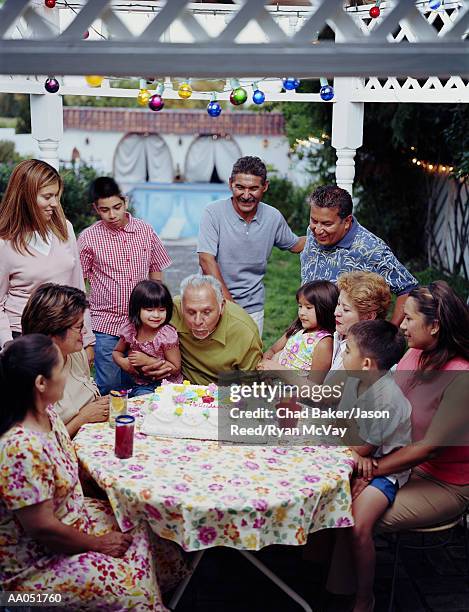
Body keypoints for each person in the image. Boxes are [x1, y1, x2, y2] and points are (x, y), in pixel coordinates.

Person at [0, 334, 167, 610]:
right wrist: (99, 544)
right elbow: (44, 529)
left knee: (140, 523)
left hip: (74, 520)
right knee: (130, 584)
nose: (67, 374)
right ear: (40, 383)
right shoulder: (20, 448)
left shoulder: (46, 412)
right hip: (31, 572)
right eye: (60, 368)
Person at [328, 282, 469, 603]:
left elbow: (428, 447)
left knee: (352, 515)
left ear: (434, 326)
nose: (401, 325)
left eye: (409, 319)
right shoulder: (414, 354)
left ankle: (364, 599)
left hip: (443, 481)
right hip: (401, 462)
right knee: (335, 493)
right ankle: (334, 587)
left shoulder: (461, 376)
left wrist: (371, 472)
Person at [340, 320, 410, 612]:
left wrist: (359, 460)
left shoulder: (386, 400)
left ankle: (364, 597)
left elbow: (361, 449)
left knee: (359, 525)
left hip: (386, 471)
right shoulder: (356, 380)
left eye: (347, 349)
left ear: (366, 362)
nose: (342, 354)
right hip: (360, 456)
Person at [78, 176, 172, 395]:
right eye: (104, 210)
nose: (112, 215)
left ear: (125, 201)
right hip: (105, 324)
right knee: (110, 385)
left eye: (117, 207)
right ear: (95, 208)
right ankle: (110, 427)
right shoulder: (88, 238)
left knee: (141, 382)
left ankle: (137, 425)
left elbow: (156, 268)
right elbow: (79, 283)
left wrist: (156, 307)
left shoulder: (145, 231)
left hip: (141, 325)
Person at [197, 156, 305, 335]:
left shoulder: (272, 217)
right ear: (231, 183)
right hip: (210, 304)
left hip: (252, 308)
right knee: (210, 362)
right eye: (240, 187)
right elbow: (206, 260)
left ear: (265, 186)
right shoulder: (213, 212)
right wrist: (229, 304)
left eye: (253, 188)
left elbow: (295, 244)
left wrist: (327, 231)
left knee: (249, 362)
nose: (246, 195)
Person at [0, 159, 94, 353]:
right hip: (25, 339)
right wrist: (8, 344)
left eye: (57, 196)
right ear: (25, 197)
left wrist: (87, 338)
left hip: (67, 336)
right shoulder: (4, 242)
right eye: (47, 196)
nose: (55, 203)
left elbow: (77, 286)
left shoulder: (64, 228)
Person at [300, 185, 418, 325]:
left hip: (349, 340)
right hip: (309, 330)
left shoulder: (371, 248)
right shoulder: (313, 232)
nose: (318, 230)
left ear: (347, 221)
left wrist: (390, 332)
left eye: (327, 224)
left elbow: (408, 288)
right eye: (314, 221)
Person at [21, 283, 109, 437]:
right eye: (79, 327)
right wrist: (83, 418)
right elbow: (41, 446)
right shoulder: (31, 378)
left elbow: (87, 387)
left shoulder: (76, 352)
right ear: (52, 332)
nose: (85, 332)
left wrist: (101, 404)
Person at [141, 274, 263, 385]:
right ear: (181, 306)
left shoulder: (244, 331)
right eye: (191, 312)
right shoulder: (170, 310)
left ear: (222, 306)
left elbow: (251, 385)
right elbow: (137, 335)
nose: (198, 321)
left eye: (206, 312)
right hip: (182, 389)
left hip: (225, 395)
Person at [113, 280, 183, 397]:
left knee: (147, 403)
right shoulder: (131, 329)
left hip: (166, 385)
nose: (156, 315)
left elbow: (175, 367)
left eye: (161, 310)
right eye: (149, 310)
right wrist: (123, 362)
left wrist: (148, 361)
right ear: (137, 309)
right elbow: (117, 352)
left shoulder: (165, 334)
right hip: (139, 383)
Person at [258, 280, 338, 382]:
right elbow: (272, 350)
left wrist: (277, 370)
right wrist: (265, 365)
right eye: (300, 306)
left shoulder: (323, 343)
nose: (302, 312)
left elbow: (313, 385)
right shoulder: (298, 329)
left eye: (308, 307)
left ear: (325, 309)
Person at [331, 271, 392, 372]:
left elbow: (332, 387)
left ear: (369, 316)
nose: (336, 312)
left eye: (346, 309)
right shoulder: (342, 334)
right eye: (338, 304)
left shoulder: (361, 353)